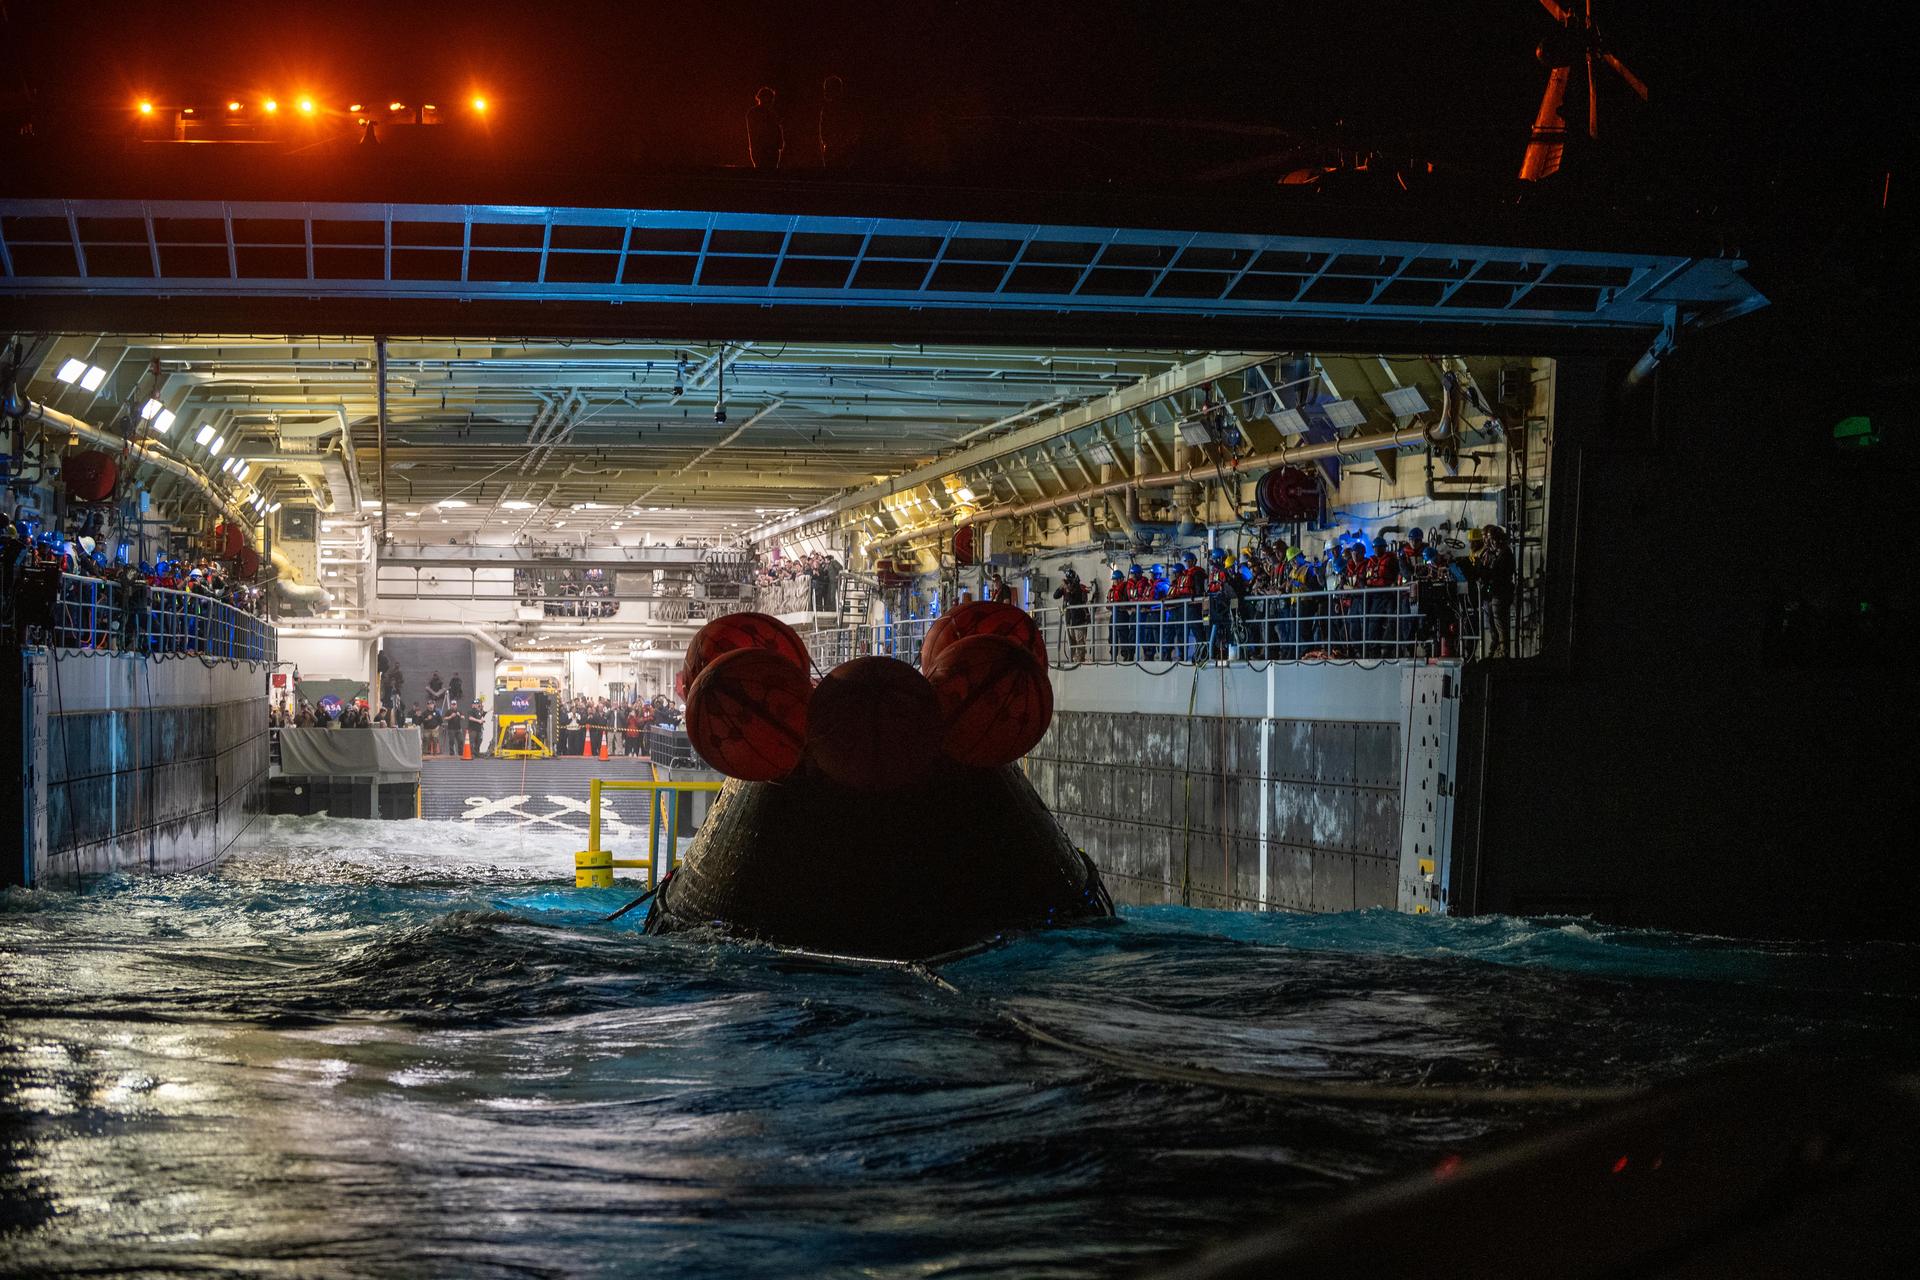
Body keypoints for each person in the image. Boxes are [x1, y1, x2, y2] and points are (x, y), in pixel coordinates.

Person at [818, 74, 860, 168]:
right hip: (838, 149)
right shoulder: (845, 107)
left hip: (839, 150)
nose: (825, 92)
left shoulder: (832, 109)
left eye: (827, 89)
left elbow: (824, 128)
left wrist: (841, 144)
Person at [1052, 566, 1091, 662]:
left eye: (1070, 581)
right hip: (1070, 619)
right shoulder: (1066, 589)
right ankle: (1072, 658)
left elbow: (1073, 601)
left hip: (1080, 619)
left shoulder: (1079, 588)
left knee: (1080, 641)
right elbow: (1055, 596)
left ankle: (1080, 659)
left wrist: (1068, 590)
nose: (1068, 583)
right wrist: (1062, 587)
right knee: (1071, 641)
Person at [746, 86, 783, 169]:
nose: (771, 101)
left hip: (767, 148)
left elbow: (777, 129)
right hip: (763, 149)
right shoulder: (756, 113)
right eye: (769, 98)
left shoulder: (754, 113)